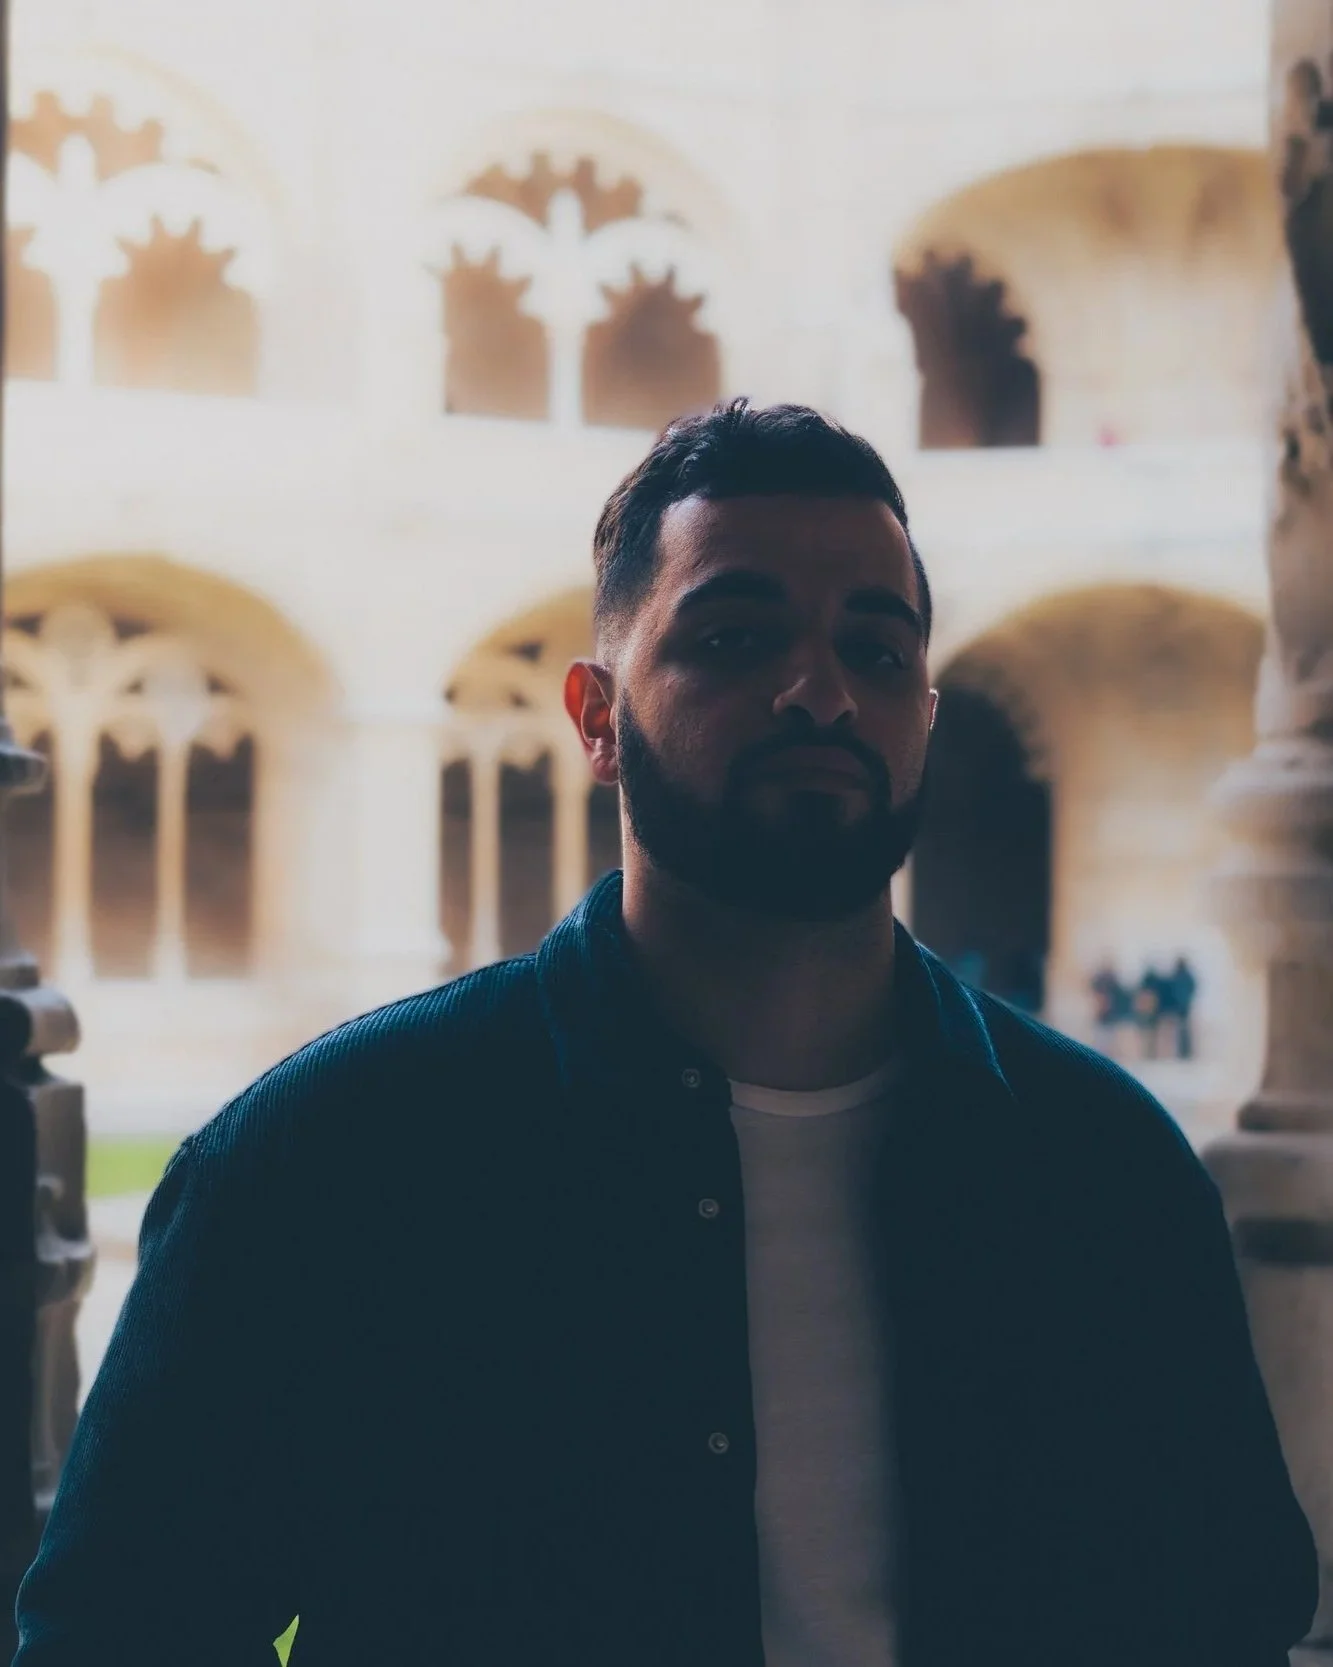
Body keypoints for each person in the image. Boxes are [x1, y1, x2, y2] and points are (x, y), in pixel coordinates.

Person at [14, 400, 1316, 1666]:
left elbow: (1222, 1616)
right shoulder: (331, 1167)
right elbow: (123, 1631)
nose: (819, 691)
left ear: (926, 707)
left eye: (877, 649)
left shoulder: (1101, 1173)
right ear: (594, 716)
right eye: (736, 637)